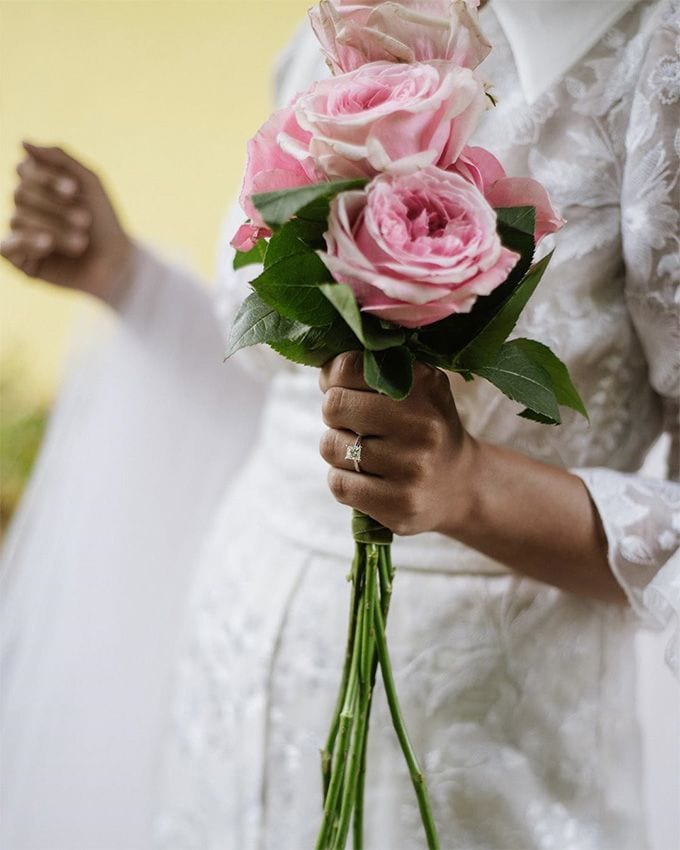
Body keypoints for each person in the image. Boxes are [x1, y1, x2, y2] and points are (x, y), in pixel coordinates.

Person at [1, 0, 678, 848]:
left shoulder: (657, 52)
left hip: (475, 758)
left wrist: (472, 489)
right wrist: (122, 273)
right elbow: (294, 410)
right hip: (233, 704)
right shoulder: (354, 17)